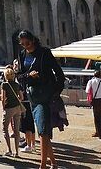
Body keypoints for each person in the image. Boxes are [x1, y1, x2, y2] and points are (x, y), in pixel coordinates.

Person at [16, 29, 65, 169]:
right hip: (32, 96)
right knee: (42, 129)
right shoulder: (22, 54)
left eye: (28, 43)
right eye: (23, 44)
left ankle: (43, 165)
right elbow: (19, 76)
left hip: (45, 95)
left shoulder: (44, 53)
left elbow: (59, 73)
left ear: (33, 40)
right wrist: (29, 76)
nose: (26, 46)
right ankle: (54, 163)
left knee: (43, 130)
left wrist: (56, 91)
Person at [0, 66, 24, 157]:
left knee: (5, 128)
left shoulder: (4, 85)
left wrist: (3, 108)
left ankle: (9, 150)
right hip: (17, 107)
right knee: (17, 130)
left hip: (9, 107)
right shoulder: (17, 85)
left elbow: (3, 98)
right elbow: (21, 97)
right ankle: (17, 152)